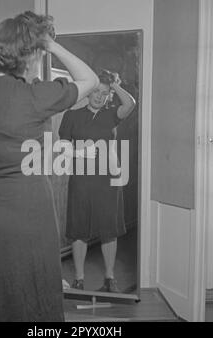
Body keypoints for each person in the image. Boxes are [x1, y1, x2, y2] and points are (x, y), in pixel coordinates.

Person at [0, 11, 98, 322]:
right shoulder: (34, 96)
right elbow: (90, 80)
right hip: (28, 211)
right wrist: (52, 46)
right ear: (29, 54)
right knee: (35, 286)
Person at [59, 71, 136, 293]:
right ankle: (80, 279)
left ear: (109, 96)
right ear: (88, 93)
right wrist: (81, 151)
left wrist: (116, 85)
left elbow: (130, 104)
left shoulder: (112, 115)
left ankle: (110, 278)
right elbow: (63, 149)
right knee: (79, 229)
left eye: (104, 93)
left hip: (109, 179)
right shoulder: (71, 116)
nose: (99, 97)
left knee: (108, 229)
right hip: (81, 179)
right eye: (95, 91)